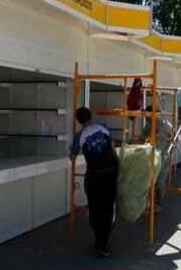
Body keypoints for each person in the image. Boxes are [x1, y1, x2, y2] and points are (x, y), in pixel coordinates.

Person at [69, 107, 118, 257]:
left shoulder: (79, 136)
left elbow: (72, 157)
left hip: (94, 175)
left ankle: (100, 242)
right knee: (108, 206)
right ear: (91, 116)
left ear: (78, 121)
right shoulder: (103, 128)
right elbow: (113, 150)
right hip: (110, 172)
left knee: (95, 207)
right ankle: (103, 243)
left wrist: (71, 151)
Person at [142, 106, 173, 212]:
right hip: (155, 157)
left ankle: (158, 203)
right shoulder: (150, 124)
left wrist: (161, 137)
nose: (145, 117)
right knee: (154, 182)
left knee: (158, 182)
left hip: (161, 157)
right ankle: (154, 203)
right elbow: (143, 137)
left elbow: (174, 138)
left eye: (147, 115)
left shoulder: (164, 125)